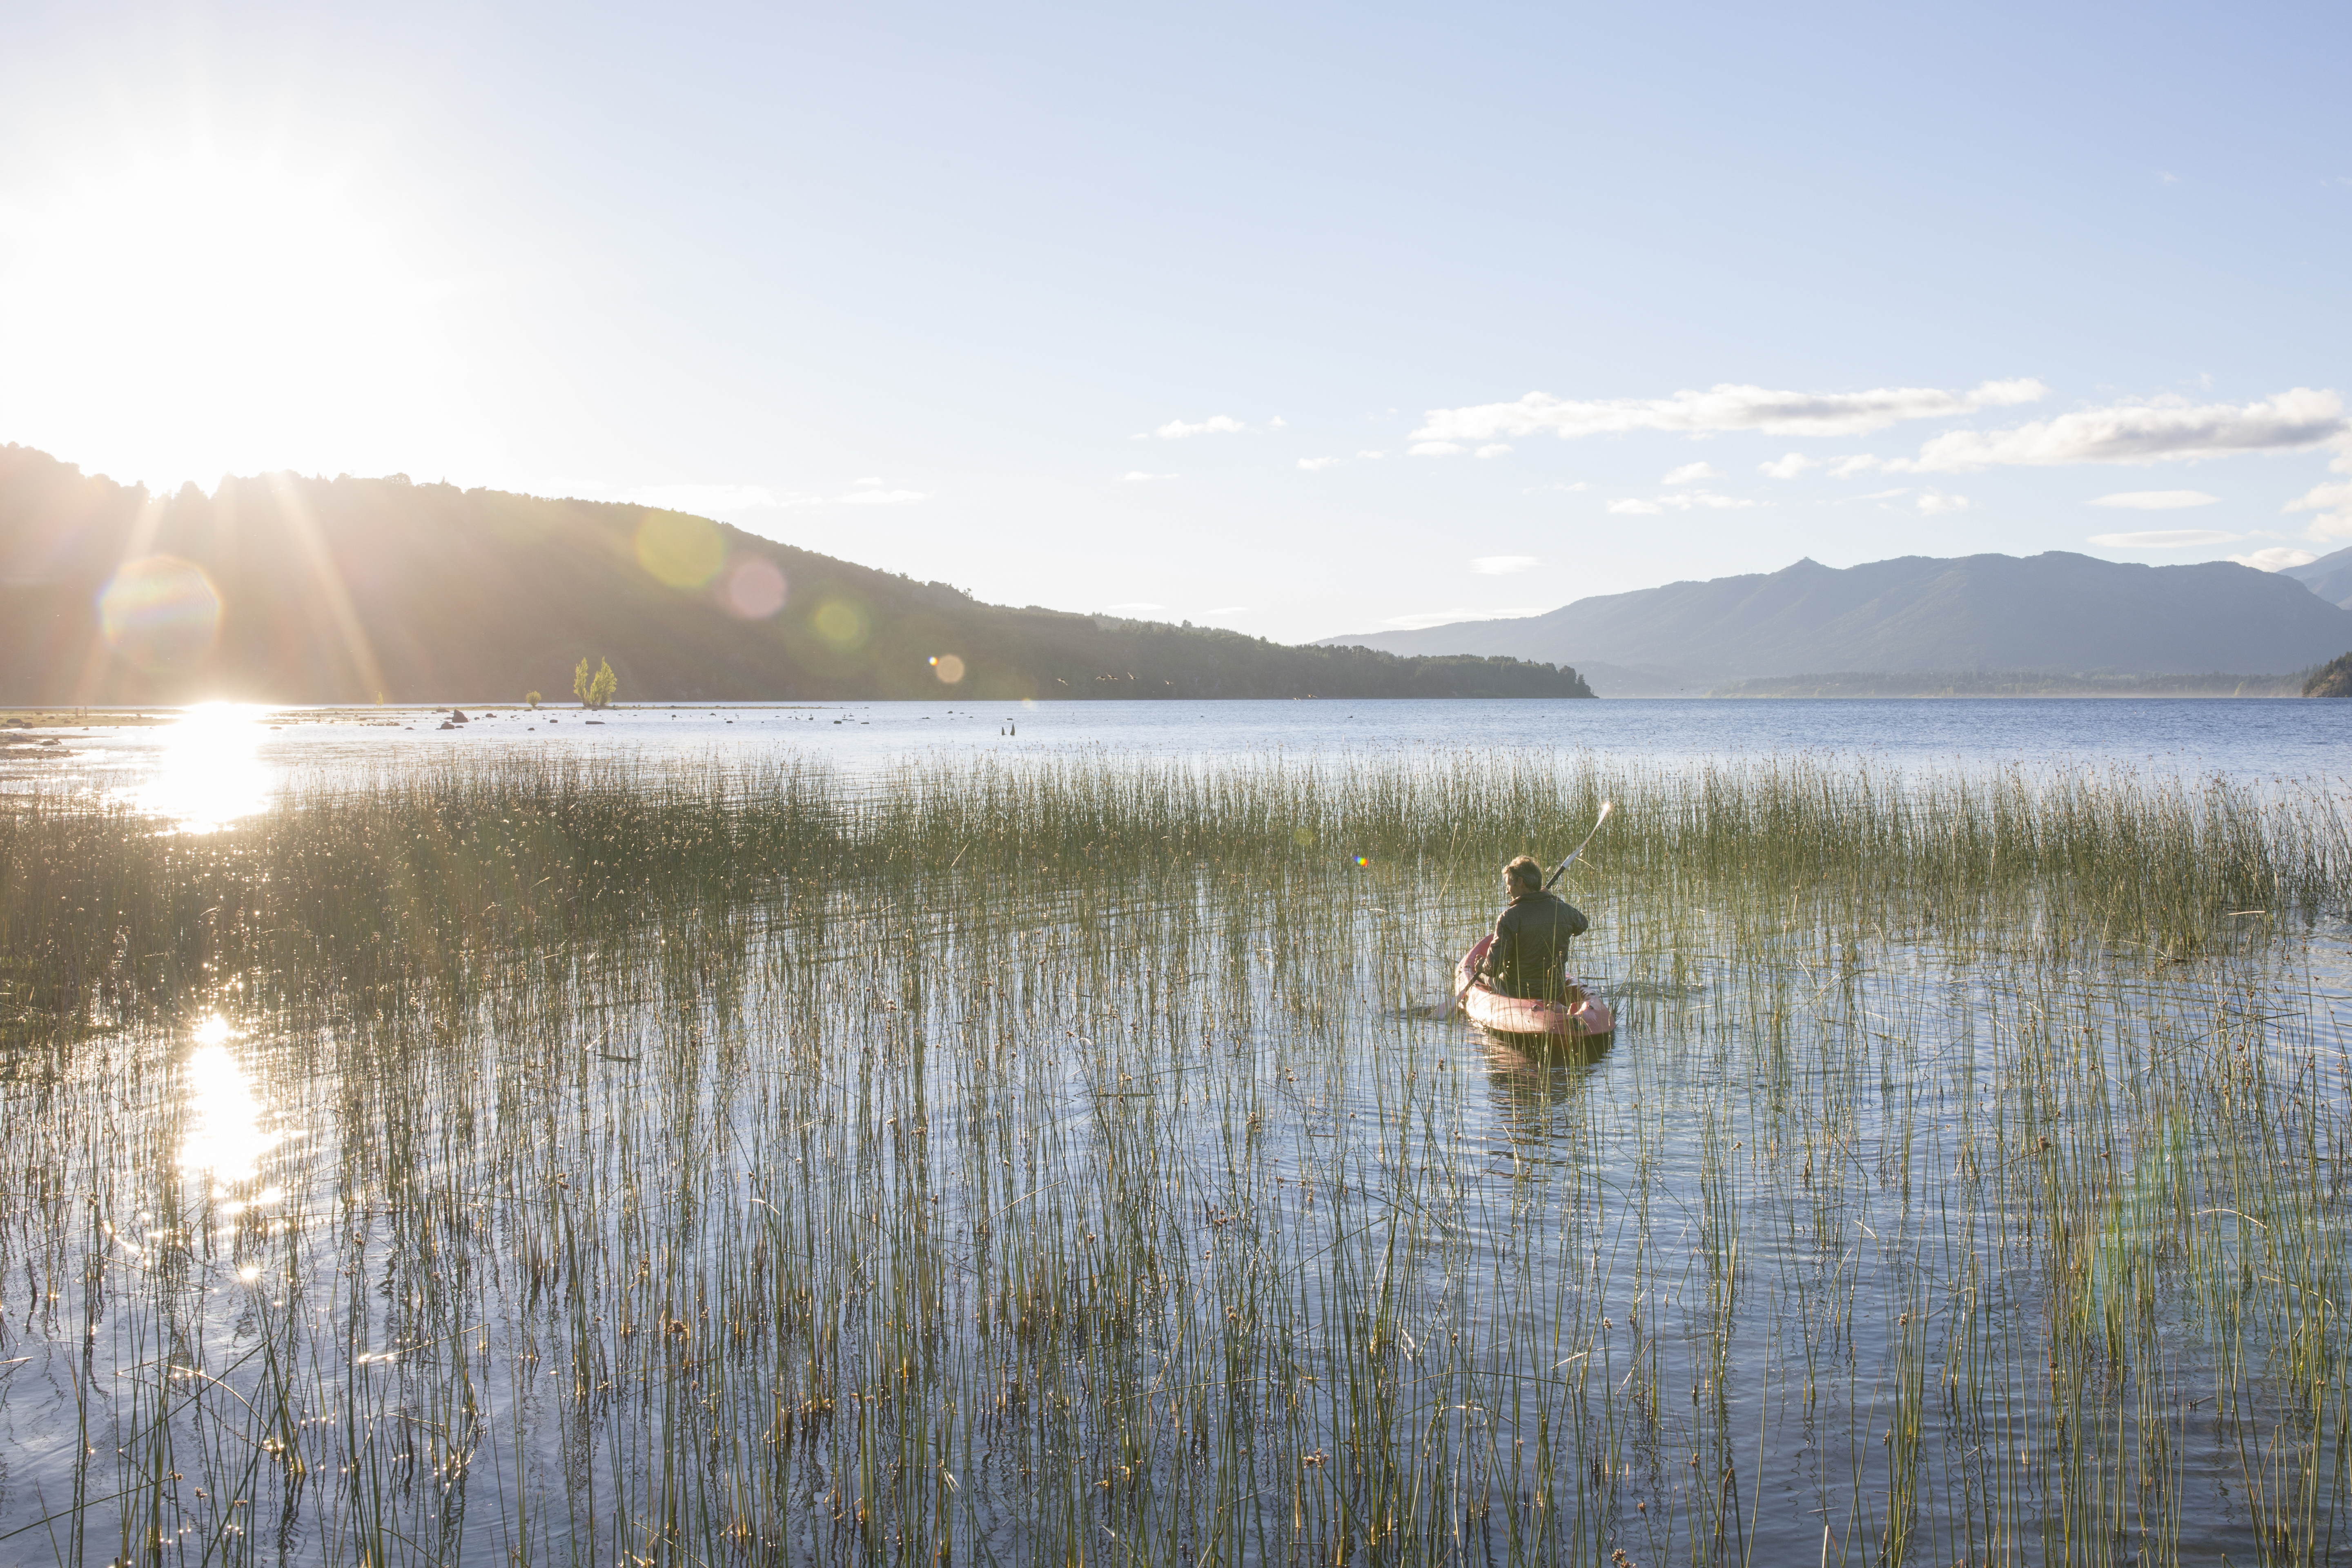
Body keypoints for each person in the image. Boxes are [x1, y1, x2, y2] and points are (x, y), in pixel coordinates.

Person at [1478, 854, 1589, 1000]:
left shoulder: (1508, 918)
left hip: (1519, 992)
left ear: (1520, 882)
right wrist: (1553, 899)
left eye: (1508, 885)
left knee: (1481, 976)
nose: (1507, 891)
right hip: (1555, 990)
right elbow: (1582, 925)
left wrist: (1481, 967)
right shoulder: (1563, 910)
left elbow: (1493, 969)